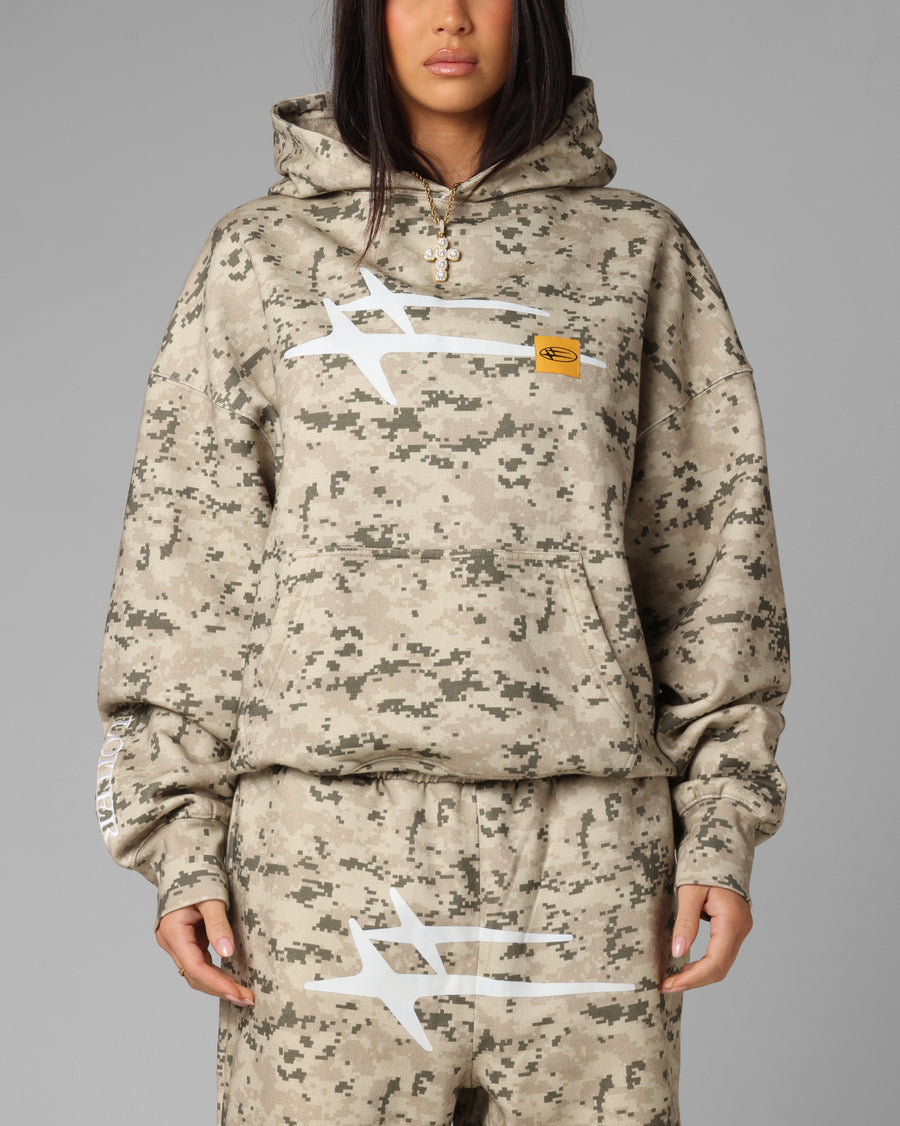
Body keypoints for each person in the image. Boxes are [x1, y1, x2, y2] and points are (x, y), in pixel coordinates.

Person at [95, 1, 790, 1122]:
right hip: (318, 854)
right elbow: (185, 567)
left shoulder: (635, 253)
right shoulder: (258, 257)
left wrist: (720, 830)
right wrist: (178, 841)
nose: (452, 17)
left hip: (584, 855)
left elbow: (717, 564)